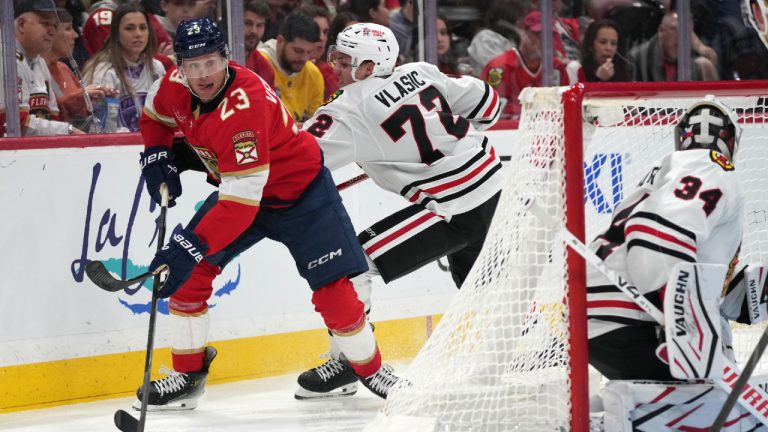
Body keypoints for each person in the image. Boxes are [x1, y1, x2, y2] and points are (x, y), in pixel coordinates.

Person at [134, 16, 399, 410]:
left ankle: (370, 367)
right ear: (180, 66)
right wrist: (156, 152)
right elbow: (154, 117)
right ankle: (188, 374)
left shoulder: (245, 104)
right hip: (240, 193)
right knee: (190, 277)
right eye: (193, 65)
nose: (203, 74)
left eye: (211, 62)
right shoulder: (173, 85)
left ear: (225, 59)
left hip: (300, 195)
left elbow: (240, 208)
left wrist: (188, 246)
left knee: (334, 293)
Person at [295, 23, 503, 400]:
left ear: (371, 66)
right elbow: (488, 102)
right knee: (480, 284)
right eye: (336, 58)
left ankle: (348, 361)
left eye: (346, 61)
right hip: (495, 188)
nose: (336, 67)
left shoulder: (348, 108)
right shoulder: (420, 71)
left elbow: (297, 158)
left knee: (353, 263)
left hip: (453, 206)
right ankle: (524, 348)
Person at [587, 97, 743, 382]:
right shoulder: (710, 166)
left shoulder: (667, 171)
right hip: (633, 319)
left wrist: (744, 295)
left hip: (601, 315)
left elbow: (696, 268)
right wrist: (684, 328)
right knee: (711, 405)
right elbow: (657, 235)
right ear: (731, 140)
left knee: (648, 409)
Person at [82, 2, 166, 132]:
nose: (138, 34)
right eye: (129, 28)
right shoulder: (103, 72)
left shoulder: (156, 67)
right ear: (116, 33)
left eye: (143, 28)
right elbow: (99, 128)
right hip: (117, 148)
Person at [12, 0, 85, 136]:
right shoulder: (6, 60)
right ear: (21, 25)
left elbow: (52, 117)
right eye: (45, 23)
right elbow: (15, 125)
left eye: (54, 25)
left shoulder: (39, 62)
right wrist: (68, 130)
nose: (52, 31)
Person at [480, 10, 568, 121]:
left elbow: (564, 105)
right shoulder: (500, 67)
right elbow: (492, 112)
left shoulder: (556, 67)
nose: (544, 41)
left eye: (549, 35)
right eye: (538, 35)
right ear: (522, 33)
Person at [43, 9, 117, 129]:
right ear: (51, 33)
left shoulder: (64, 69)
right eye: (68, 29)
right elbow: (39, 120)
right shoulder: (34, 71)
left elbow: (85, 117)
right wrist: (74, 99)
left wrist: (96, 102)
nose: (76, 35)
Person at [259, 12, 324, 124]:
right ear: (280, 42)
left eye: (309, 52)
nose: (304, 58)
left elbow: (315, 125)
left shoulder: (314, 74)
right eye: (298, 51)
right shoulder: (260, 65)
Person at [629, 11, 719, 82]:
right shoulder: (637, 59)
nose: (680, 36)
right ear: (661, 31)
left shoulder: (697, 64)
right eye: (674, 29)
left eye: (686, 31)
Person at [565, 19, 633, 84]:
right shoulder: (575, 68)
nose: (609, 48)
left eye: (613, 43)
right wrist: (598, 79)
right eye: (603, 42)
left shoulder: (621, 71)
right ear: (590, 46)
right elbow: (574, 95)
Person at [320, 11, 359, 99]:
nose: (356, 40)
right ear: (335, 38)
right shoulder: (326, 70)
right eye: (349, 36)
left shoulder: (365, 63)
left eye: (358, 34)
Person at [243, 0, 275, 89]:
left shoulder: (265, 68)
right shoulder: (217, 58)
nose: (254, 31)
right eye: (248, 23)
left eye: (259, 25)